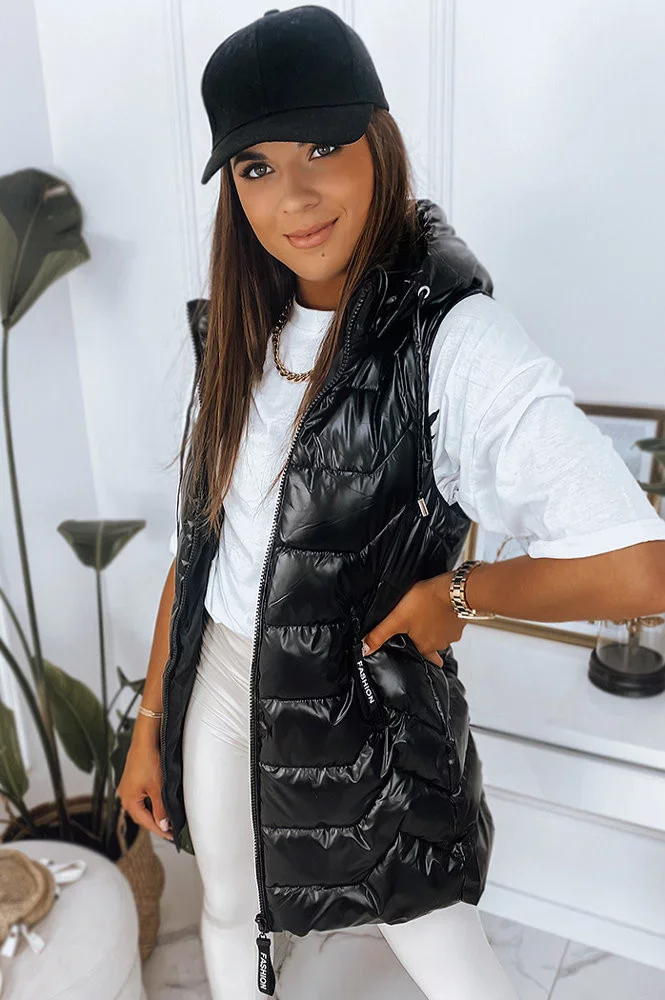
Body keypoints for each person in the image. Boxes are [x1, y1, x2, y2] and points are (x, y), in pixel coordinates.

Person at [118, 7, 665, 999]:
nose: (294, 195)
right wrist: (151, 716)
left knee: (445, 955)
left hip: (364, 705)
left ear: (379, 139)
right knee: (229, 912)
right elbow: (202, 549)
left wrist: (454, 597)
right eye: (255, 166)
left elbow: (639, 570)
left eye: (323, 147)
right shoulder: (239, 328)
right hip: (222, 682)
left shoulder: (453, 341)